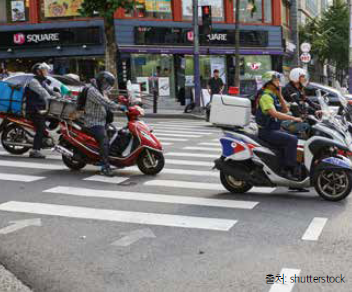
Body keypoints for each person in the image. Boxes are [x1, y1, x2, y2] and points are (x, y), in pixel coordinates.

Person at [255, 71, 302, 180]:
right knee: (292, 140)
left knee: (296, 137)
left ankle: (296, 172)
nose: (279, 83)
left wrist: (280, 95)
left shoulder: (273, 95)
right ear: (269, 83)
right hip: (266, 131)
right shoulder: (266, 97)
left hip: (274, 129)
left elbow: (285, 110)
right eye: (276, 80)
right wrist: (294, 118)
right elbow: (275, 114)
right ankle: (287, 171)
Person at [84, 71, 126, 177]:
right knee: (104, 140)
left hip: (102, 121)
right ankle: (105, 167)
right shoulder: (92, 90)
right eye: (106, 84)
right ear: (102, 81)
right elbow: (104, 102)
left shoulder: (100, 89)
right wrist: (119, 107)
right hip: (93, 122)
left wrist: (122, 102)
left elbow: (108, 100)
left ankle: (110, 157)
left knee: (115, 135)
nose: (107, 86)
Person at [282, 68, 321, 138]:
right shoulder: (288, 89)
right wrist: (313, 111)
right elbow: (298, 103)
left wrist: (318, 107)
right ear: (295, 77)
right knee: (308, 127)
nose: (304, 79)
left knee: (315, 123)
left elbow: (305, 99)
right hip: (291, 117)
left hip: (300, 115)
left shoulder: (299, 88)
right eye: (302, 77)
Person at [26, 63, 53, 159]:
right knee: (41, 127)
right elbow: (43, 92)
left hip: (41, 108)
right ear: (38, 71)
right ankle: (35, 150)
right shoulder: (34, 81)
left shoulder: (42, 81)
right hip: (34, 110)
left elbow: (49, 90)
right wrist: (51, 99)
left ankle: (46, 138)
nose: (46, 72)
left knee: (55, 119)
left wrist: (59, 95)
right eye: (44, 70)